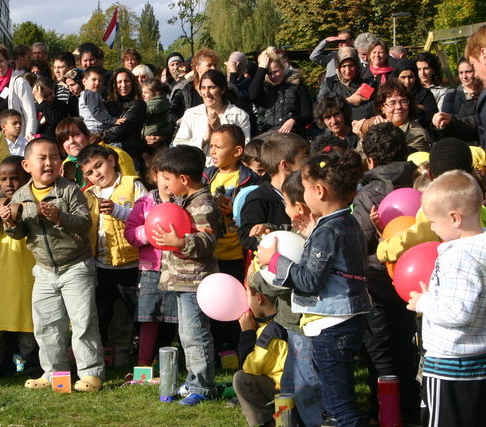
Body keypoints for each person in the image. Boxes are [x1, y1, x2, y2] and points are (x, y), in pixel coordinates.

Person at [257, 149, 370, 427]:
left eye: (305, 189)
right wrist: (310, 237)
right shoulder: (346, 222)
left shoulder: (328, 230)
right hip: (344, 322)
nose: (303, 197)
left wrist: (274, 261)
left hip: (331, 327)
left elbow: (308, 279)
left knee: (339, 405)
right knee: (335, 399)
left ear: (319, 190)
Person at [1, 138, 105, 391]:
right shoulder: (20, 196)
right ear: (27, 165)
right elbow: (18, 234)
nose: (50, 162)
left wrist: (60, 217)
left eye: (55, 157)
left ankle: (91, 374)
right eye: (42, 158)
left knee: (82, 322)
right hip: (44, 270)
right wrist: (10, 224)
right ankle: (53, 373)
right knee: (47, 325)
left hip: (76, 266)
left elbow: (84, 223)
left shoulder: (69, 190)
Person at [350, 122, 420, 423]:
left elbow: (360, 241)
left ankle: (385, 414)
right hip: (414, 287)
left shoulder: (367, 195)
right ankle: (410, 409)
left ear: (370, 161)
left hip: (377, 287)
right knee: (407, 351)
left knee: (380, 355)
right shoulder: (420, 184)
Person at [407, 170, 486, 427]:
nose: (431, 227)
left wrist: (423, 302)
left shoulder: (458, 257)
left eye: (432, 221)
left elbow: (458, 312)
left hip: (450, 366)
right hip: (478, 362)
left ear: (454, 218)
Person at [153, 144, 221, 406]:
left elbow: (208, 241)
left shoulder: (202, 204)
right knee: (186, 334)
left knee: (196, 335)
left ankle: (203, 387)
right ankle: (194, 378)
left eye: (168, 180)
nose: (166, 185)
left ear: (183, 179)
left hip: (195, 281)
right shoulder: (185, 201)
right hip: (182, 280)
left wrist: (180, 242)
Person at [77, 144, 147, 373]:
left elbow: (147, 218)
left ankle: (146, 356)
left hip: (132, 264)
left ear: (111, 160)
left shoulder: (132, 184)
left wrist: (118, 211)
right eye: (89, 172)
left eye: (99, 166)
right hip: (102, 266)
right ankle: (104, 354)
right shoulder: (88, 194)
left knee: (138, 313)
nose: (96, 174)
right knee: (101, 313)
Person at [0, 156, 42, 379]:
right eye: (4, 178)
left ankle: (33, 365)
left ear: (27, 176)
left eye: (15, 178)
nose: (9, 183)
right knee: (1, 325)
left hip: (27, 271)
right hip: (2, 273)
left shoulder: (33, 200)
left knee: (28, 322)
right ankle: (0, 364)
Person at [202, 124, 259, 358]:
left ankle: (242, 350)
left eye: (218, 147)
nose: (213, 151)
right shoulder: (205, 176)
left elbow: (256, 213)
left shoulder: (250, 178)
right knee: (214, 305)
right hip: (211, 254)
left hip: (238, 253)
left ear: (237, 151)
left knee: (238, 305)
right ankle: (217, 352)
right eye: (211, 146)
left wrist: (234, 212)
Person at [375, 137, 477, 263]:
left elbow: (415, 239)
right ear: (472, 172)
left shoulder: (435, 205)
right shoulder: (478, 204)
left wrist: (383, 248)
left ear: (430, 175)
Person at [124, 150, 178, 366]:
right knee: (148, 317)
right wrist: (146, 234)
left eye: (173, 177)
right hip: (151, 269)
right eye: (164, 176)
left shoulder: (184, 202)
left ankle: (168, 361)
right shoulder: (145, 203)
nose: (168, 183)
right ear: (155, 175)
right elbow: (130, 232)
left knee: (174, 318)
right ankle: (144, 363)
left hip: (178, 268)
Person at [233, 271, 288, 427]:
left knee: (242, 379)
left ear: (259, 298)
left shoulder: (270, 333)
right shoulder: (283, 320)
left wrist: (247, 333)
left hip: (285, 392)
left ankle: (267, 422)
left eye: (248, 297)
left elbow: (249, 367)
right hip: (297, 385)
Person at [238, 133, 309, 252]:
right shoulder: (259, 199)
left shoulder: (306, 192)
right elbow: (246, 235)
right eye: (303, 157)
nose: (308, 162)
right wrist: (266, 235)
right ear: (285, 166)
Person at [173, 69, 250, 165]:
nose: (207, 93)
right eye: (203, 88)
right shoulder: (190, 114)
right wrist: (205, 139)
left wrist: (219, 129)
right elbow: (178, 146)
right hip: (196, 171)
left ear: (222, 89)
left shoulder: (240, 116)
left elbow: (244, 150)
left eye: (212, 87)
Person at [55, 117, 136, 189]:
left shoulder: (117, 156)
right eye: (65, 139)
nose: (72, 141)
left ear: (87, 134)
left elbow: (132, 187)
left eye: (76, 135)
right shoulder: (64, 168)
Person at [249, 47, 312, 136]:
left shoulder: (298, 86)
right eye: (269, 73)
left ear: (282, 67)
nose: (273, 76)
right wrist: (261, 69)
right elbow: (253, 96)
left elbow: (308, 114)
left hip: (292, 135)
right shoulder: (263, 87)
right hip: (268, 136)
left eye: (276, 71)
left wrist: (293, 120)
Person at [354, 80, 432, 152]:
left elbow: (398, 161)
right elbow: (360, 163)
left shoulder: (417, 134)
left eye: (403, 102)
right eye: (392, 103)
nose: (398, 107)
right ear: (382, 107)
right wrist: (363, 140)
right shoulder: (375, 127)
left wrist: (383, 135)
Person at [0, 43, 37, 139]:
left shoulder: (19, 83)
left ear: (7, 61)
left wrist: (28, 142)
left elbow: (30, 115)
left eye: (1, 60)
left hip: (13, 142)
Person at [316, 47, 377, 121]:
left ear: (357, 66)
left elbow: (370, 109)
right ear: (338, 67)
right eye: (343, 66)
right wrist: (349, 101)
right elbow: (321, 106)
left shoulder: (368, 83)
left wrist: (337, 106)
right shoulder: (329, 83)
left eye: (351, 65)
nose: (348, 71)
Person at [101, 68, 147, 162]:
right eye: (119, 82)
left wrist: (97, 137)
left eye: (127, 81)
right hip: (108, 156)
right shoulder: (108, 103)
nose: (123, 85)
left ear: (132, 83)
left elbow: (121, 128)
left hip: (128, 156)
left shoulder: (138, 104)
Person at [168, 48, 220, 128]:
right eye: (209, 65)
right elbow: (171, 114)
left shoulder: (224, 87)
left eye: (215, 65)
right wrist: (180, 122)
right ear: (198, 68)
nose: (213, 68)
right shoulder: (184, 89)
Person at [390, 59, 438, 129]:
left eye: (411, 77)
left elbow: (430, 116)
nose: (407, 81)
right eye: (403, 77)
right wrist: (418, 108)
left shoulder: (425, 94)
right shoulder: (390, 94)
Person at [79, 67, 125, 134]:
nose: (97, 83)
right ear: (84, 81)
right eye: (94, 80)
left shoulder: (85, 94)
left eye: (100, 80)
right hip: (97, 129)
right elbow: (97, 113)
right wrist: (114, 120)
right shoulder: (91, 94)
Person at [141, 78, 173, 157]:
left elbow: (142, 114)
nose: (143, 95)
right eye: (142, 92)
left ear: (156, 93)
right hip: (161, 136)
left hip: (153, 135)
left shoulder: (153, 103)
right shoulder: (166, 101)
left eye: (146, 92)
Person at [32, 77, 69, 141]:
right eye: (45, 97)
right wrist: (40, 122)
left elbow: (53, 119)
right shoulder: (34, 107)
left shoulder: (61, 105)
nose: (49, 98)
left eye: (50, 93)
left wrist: (42, 102)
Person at [52, 51, 79, 117]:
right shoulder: (53, 88)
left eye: (60, 67)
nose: (56, 71)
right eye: (55, 67)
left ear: (71, 68)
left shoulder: (80, 87)